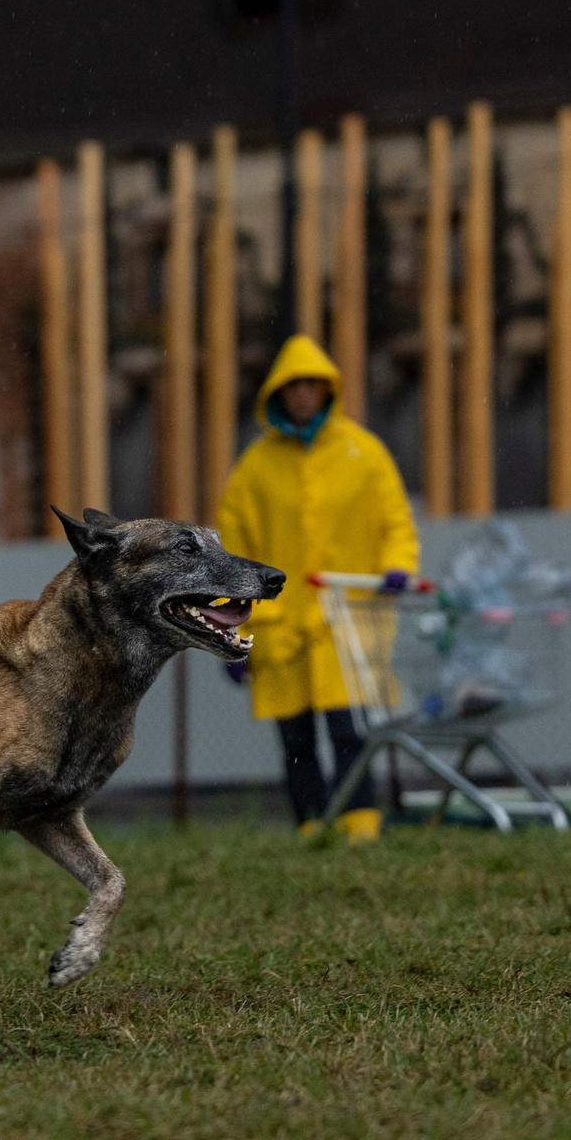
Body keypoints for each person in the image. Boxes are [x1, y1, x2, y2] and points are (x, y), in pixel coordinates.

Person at [215, 335, 420, 843]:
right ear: (278, 394)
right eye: (294, 385)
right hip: (279, 625)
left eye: (312, 384)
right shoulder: (255, 468)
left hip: (347, 621)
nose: (303, 393)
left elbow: (396, 521)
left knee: (351, 728)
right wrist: (228, 629)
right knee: (296, 736)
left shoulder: (363, 453)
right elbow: (232, 553)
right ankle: (311, 827)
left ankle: (359, 824)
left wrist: (397, 566)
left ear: (328, 389)